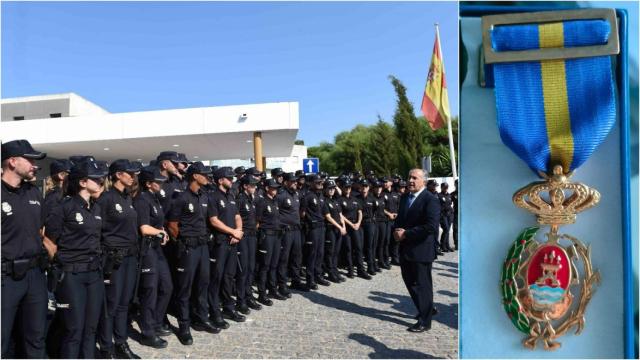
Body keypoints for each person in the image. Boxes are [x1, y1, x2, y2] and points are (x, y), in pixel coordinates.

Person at [45, 159, 107, 358]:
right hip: (72, 276)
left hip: (94, 274)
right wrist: (62, 261)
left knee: (90, 329)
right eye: (97, 179)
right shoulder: (65, 207)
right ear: (82, 182)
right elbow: (48, 239)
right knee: (74, 329)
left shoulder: (96, 208)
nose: (101, 182)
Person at [1, 140, 48, 358]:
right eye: (29, 160)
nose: (34, 165)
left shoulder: (34, 193)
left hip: (34, 275)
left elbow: (40, 231)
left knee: (36, 336)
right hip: (5, 278)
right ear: (12, 161)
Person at [166, 161, 219, 346]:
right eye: (204, 174)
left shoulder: (205, 196)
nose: (207, 177)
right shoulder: (181, 198)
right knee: (185, 288)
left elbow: (209, 220)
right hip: (188, 248)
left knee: (203, 283)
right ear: (195, 176)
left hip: (203, 247)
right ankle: (184, 326)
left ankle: (202, 319)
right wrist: (184, 241)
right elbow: (172, 225)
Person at [96, 159, 141, 359]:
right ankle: (106, 348)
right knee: (111, 305)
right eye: (128, 173)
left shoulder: (128, 198)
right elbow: (97, 230)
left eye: (133, 174)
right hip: (114, 259)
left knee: (124, 304)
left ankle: (121, 343)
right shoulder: (105, 199)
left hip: (130, 257)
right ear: (117, 175)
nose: (133, 177)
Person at [393, 169, 440, 333]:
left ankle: (425, 321)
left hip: (422, 250)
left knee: (422, 285)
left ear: (424, 182)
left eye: (415, 178)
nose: (410, 180)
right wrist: (397, 230)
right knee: (410, 282)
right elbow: (401, 219)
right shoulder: (405, 197)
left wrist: (406, 234)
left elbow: (431, 227)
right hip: (406, 248)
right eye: (409, 177)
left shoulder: (430, 199)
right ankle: (426, 307)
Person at [133, 166, 173, 349]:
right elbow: (144, 228)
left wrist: (162, 232)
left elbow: (157, 224)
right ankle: (148, 332)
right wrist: (159, 232)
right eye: (157, 182)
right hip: (147, 250)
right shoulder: (141, 200)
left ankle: (155, 322)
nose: (161, 184)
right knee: (150, 291)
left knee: (166, 287)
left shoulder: (154, 199)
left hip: (157, 249)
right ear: (149, 184)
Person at [207, 166, 245, 327]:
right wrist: (233, 232)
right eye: (229, 178)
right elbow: (214, 220)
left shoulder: (230, 195)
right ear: (220, 180)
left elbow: (237, 216)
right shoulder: (213, 197)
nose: (232, 181)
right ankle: (215, 312)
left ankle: (228, 307)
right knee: (216, 277)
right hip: (220, 242)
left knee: (229, 276)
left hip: (232, 242)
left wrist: (239, 231)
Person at [235, 175, 262, 314]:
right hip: (243, 237)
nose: (255, 187)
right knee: (243, 270)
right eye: (252, 185)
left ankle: (248, 295)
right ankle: (241, 300)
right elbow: (236, 218)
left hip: (252, 236)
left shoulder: (253, 199)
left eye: (255, 185)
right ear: (245, 186)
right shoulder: (239, 200)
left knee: (251, 267)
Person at [276, 172, 306, 294]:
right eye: (292, 181)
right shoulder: (281, 195)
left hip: (296, 230)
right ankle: (282, 285)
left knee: (297, 257)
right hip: (286, 231)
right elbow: (276, 214)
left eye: (295, 181)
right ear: (285, 182)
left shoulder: (296, 194)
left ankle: (296, 280)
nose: (295, 183)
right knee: (284, 258)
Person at [255, 179, 284, 304]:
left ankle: (272, 289)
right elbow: (257, 222)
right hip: (267, 236)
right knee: (265, 265)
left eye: (276, 188)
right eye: (273, 188)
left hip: (276, 236)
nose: (275, 190)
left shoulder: (275, 201)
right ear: (267, 188)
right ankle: (262, 293)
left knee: (274, 264)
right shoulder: (262, 202)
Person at [337, 179, 370, 280]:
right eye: (346, 187)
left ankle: (361, 270)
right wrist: (351, 224)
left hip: (356, 226)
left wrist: (358, 223)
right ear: (342, 188)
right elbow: (340, 215)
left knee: (359, 248)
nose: (348, 189)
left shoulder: (355, 199)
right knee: (348, 249)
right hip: (347, 226)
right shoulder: (339, 200)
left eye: (349, 187)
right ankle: (350, 270)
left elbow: (360, 212)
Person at [301, 174, 328, 289]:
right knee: (312, 254)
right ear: (311, 183)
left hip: (321, 226)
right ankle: (310, 279)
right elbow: (301, 213)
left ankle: (318, 275)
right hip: (312, 228)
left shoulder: (321, 196)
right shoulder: (307, 196)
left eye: (321, 182)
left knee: (320, 253)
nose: (320, 184)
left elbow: (324, 212)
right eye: (317, 182)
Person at [322, 179, 346, 283]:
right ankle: (330, 272)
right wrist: (340, 227)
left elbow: (341, 215)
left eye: (333, 188)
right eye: (329, 189)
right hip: (330, 229)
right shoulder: (324, 201)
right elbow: (328, 217)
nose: (331, 190)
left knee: (336, 252)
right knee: (330, 252)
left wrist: (343, 226)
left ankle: (335, 270)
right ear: (325, 189)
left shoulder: (335, 201)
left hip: (339, 229)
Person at [357, 179, 377, 276]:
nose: (364, 188)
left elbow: (376, 210)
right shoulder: (356, 199)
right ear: (359, 188)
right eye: (362, 186)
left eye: (366, 186)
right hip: (360, 224)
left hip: (369, 223)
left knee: (370, 246)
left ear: (368, 188)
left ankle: (371, 266)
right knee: (360, 247)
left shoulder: (372, 198)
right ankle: (360, 269)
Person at [372, 180, 389, 271]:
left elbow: (384, 209)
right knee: (375, 244)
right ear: (374, 189)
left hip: (383, 221)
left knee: (382, 242)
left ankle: (381, 261)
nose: (378, 189)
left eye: (380, 188)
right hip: (375, 222)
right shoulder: (371, 198)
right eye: (377, 188)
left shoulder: (382, 197)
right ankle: (373, 263)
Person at [438, 183, 454, 252]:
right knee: (446, 229)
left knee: (447, 230)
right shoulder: (439, 195)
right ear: (441, 188)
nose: (445, 189)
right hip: (443, 215)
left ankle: (447, 246)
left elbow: (450, 204)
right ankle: (442, 245)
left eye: (446, 187)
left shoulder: (449, 195)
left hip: (449, 215)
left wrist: (452, 211)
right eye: (444, 187)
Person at [451, 179, 458, 251]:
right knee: (455, 229)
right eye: (456, 184)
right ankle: (457, 244)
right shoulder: (453, 194)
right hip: (456, 213)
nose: (457, 185)